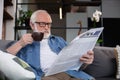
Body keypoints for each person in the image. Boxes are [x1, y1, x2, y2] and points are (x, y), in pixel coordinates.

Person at [6, 10, 95, 80]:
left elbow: (74, 63)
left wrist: (85, 61)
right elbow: (5, 59)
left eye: (48, 24)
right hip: (48, 76)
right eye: (42, 24)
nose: (46, 27)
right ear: (32, 25)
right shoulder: (24, 43)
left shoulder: (58, 40)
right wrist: (20, 43)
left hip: (71, 74)